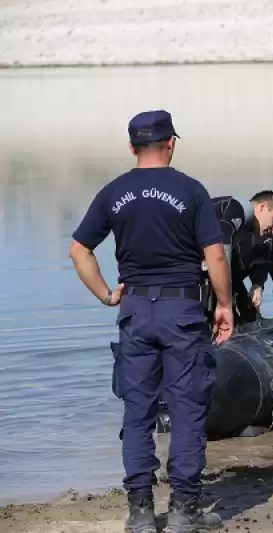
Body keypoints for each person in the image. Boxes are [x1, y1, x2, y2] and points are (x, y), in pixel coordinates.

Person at [68, 110, 232, 533]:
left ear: (131, 147)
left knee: (137, 412)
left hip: (135, 311)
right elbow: (214, 254)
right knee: (187, 409)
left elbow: (79, 250)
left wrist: (107, 294)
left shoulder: (114, 192)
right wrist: (225, 304)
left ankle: (141, 512)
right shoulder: (191, 190)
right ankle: (183, 510)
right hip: (181, 311)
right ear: (171, 143)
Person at [205, 191, 273, 327]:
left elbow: (268, 261)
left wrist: (258, 284)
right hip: (194, 271)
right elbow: (222, 246)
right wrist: (225, 300)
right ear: (262, 207)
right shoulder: (236, 208)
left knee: (248, 312)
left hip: (222, 275)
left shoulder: (259, 232)